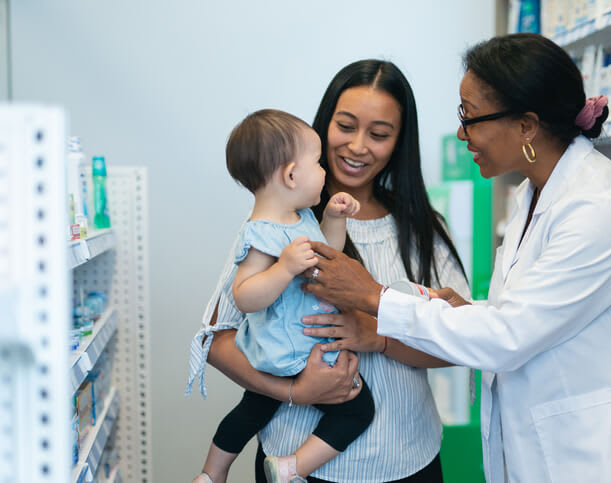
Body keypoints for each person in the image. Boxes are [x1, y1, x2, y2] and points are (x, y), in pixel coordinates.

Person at [301, 34, 611, 483]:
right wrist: (470, 313)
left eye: (470, 116)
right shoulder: (533, 192)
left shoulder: (598, 207)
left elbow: (510, 336)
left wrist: (373, 297)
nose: (463, 133)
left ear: (526, 126)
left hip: (604, 454)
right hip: (547, 445)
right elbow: (526, 313)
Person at [187, 60, 470, 482]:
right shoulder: (277, 224)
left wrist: (376, 335)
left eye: (378, 134)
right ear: (323, 126)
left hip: (410, 461)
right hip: (292, 463)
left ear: (399, 142)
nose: (357, 146)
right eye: (345, 125)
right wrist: (293, 391)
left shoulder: (424, 227)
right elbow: (216, 339)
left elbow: (458, 340)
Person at [190, 109, 376, 483]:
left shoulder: (303, 216)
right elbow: (244, 296)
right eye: (318, 162)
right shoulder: (259, 234)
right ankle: (272, 468)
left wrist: (335, 221)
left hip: (299, 346)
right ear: (292, 175)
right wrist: (283, 269)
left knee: (253, 409)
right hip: (283, 349)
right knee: (358, 410)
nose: (325, 171)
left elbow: (327, 257)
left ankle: (227, 472)